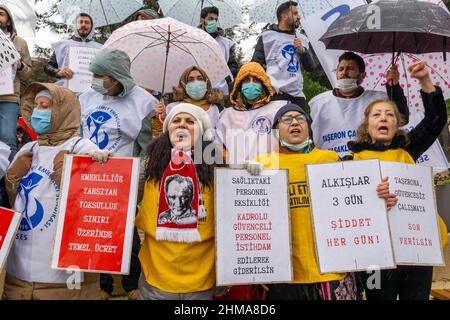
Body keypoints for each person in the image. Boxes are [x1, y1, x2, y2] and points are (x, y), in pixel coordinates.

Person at [244, 103, 397, 300]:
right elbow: (251, 220)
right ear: (275, 132)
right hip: (282, 274)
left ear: (309, 127)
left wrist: (379, 198)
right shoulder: (260, 165)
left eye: (300, 118)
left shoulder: (331, 160)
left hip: (332, 271)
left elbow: (358, 203)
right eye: (286, 119)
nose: (294, 123)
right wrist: (257, 267)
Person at [345, 60, 448, 300]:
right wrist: (372, 198)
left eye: (389, 114)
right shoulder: (350, 161)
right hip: (375, 256)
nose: (384, 118)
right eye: (377, 114)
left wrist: (424, 80)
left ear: (396, 124)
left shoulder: (408, 149)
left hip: (417, 251)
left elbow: (436, 120)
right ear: (367, 125)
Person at [2, 83, 107, 300]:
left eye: (46, 106)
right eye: (36, 106)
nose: (38, 111)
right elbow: (16, 202)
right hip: (20, 269)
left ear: (63, 111)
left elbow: (93, 202)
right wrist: (12, 179)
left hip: (62, 273)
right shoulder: (29, 149)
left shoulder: (83, 147)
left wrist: (64, 170)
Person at [79, 48, 158, 300]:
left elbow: (146, 146)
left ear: (115, 78)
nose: (94, 79)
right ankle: (102, 285)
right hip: (88, 174)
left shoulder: (144, 102)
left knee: (126, 230)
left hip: (122, 176)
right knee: (95, 229)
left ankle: (131, 282)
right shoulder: (87, 97)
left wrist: (138, 179)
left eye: (99, 74)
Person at [135, 103, 224, 300]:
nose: (182, 125)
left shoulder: (216, 164)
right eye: (176, 120)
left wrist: (251, 171)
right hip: (157, 275)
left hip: (202, 275)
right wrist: (103, 165)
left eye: (190, 121)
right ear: (168, 129)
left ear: (200, 130)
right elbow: (125, 194)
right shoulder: (150, 163)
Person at [310, 51, 408, 157]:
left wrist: (394, 86)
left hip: (368, 161)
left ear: (362, 75)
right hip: (329, 165)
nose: (344, 73)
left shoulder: (378, 100)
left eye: (350, 69)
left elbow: (402, 119)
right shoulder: (317, 103)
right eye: (341, 69)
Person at [216, 62, 287, 165]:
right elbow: (219, 146)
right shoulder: (227, 115)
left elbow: (286, 143)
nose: (251, 84)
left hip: (269, 171)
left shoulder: (277, 109)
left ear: (263, 84)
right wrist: (232, 164)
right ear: (239, 85)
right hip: (235, 175)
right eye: (246, 80)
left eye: (256, 80)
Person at [251, 1, 316, 108]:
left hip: (297, 96)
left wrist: (303, 51)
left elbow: (311, 67)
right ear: (284, 16)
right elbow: (255, 66)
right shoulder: (267, 36)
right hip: (275, 94)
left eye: (298, 14)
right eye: (295, 13)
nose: (299, 17)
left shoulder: (302, 39)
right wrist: (266, 86)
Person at [0, 5, 32, 160]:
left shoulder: (20, 42)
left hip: (9, 98)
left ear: (8, 20)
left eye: (1, 14)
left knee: (8, 141)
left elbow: (28, 73)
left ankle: (8, 182)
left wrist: (20, 65)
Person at [155, 66, 223, 136]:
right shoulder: (172, 108)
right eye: (190, 80)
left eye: (200, 79)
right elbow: (162, 136)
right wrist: (162, 117)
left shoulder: (217, 109)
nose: (196, 82)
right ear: (183, 84)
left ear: (206, 82)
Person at [44, 13, 102, 86]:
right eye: (80, 22)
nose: (83, 24)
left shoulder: (101, 48)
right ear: (75, 25)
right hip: (65, 89)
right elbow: (48, 66)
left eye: (87, 22)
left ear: (92, 27)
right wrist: (57, 72)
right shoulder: (62, 45)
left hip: (93, 90)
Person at [199, 6, 238, 99]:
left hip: (219, 93)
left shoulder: (226, 43)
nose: (213, 22)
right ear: (202, 20)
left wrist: (225, 79)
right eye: (210, 19)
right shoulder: (194, 40)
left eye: (215, 19)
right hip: (197, 91)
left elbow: (233, 66)